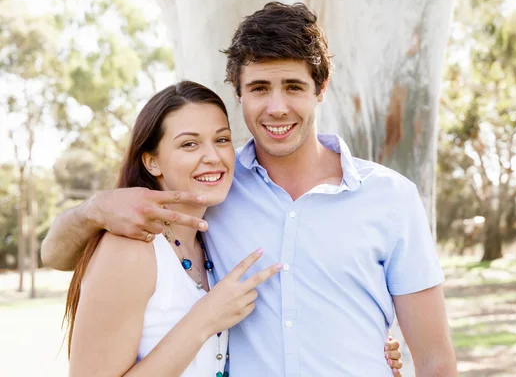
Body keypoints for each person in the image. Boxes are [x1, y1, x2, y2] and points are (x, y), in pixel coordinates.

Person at [43, 2, 455, 375]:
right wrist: (93, 209)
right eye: (259, 88)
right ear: (238, 92)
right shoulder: (212, 192)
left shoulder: (391, 198)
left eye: (293, 86)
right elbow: (58, 256)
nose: (277, 107)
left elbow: (436, 359)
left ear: (321, 90)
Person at [60, 81, 404, 376]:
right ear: (152, 161)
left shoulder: (211, 242)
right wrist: (204, 320)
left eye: (222, 139)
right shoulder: (132, 250)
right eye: (189, 144)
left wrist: (364, 346)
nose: (213, 156)